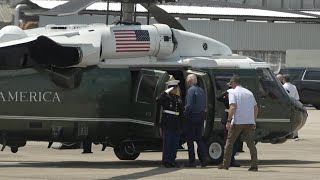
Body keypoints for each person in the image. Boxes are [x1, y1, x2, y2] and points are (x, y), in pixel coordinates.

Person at [218, 75, 259, 171]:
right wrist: (253, 120)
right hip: (249, 122)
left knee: (229, 143)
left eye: (231, 84)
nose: (231, 86)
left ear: (233, 82)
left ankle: (225, 164)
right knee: (251, 144)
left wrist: (228, 120)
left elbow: (232, 107)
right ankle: (254, 165)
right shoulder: (249, 93)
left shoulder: (233, 92)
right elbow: (256, 108)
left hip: (238, 122)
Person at [156, 79, 184, 168]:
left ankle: (172, 160)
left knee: (175, 143)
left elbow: (181, 111)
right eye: (174, 88)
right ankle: (166, 161)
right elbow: (158, 100)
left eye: (176, 88)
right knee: (167, 142)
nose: (176, 90)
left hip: (176, 123)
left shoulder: (178, 98)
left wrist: (181, 124)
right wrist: (165, 92)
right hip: (168, 122)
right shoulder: (165, 97)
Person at [184, 74, 208, 168]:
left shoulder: (191, 90)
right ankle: (204, 159)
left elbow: (189, 105)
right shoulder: (201, 90)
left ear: (190, 80)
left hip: (192, 117)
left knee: (190, 140)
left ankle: (192, 161)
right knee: (199, 139)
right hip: (200, 116)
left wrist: (184, 114)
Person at [217, 88, 241, 167]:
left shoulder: (237, 97)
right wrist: (226, 91)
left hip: (236, 119)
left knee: (236, 142)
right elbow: (219, 97)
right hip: (228, 118)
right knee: (228, 140)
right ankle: (228, 160)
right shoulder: (228, 98)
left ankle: (231, 159)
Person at [282, 75, 300, 141]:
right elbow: (297, 97)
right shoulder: (294, 87)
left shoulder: (282, 87)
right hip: (293, 105)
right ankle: (295, 135)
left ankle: (285, 134)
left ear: (283, 79)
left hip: (284, 105)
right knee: (293, 120)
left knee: (284, 120)